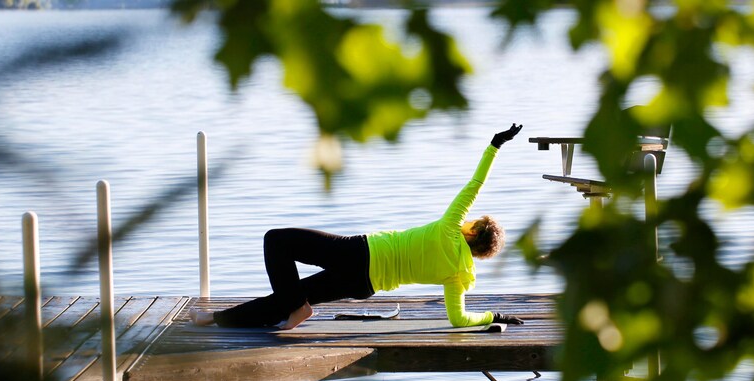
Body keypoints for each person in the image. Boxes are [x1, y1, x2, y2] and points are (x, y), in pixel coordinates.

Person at [192, 123, 527, 330]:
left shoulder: (450, 227)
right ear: (480, 254)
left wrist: (495, 144)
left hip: (359, 252)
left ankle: (291, 308)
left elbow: (475, 184)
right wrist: (493, 316)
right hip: (365, 284)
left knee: (275, 241)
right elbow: (458, 319)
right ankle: (220, 319)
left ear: (472, 230)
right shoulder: (460, 276)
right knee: (288, 299)